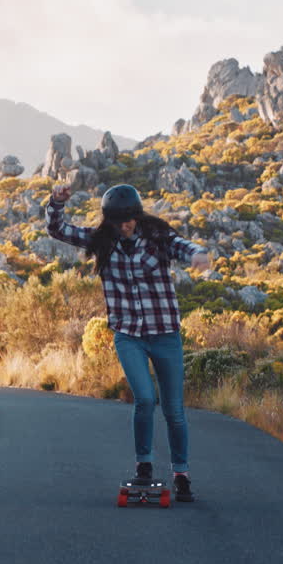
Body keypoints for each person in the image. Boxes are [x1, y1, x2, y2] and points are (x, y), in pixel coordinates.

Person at [44, 183, 211, 501]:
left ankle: (181, 473)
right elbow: (58, 229)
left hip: (164, 334)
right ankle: (144, 465)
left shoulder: (158, 238)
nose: (126, 226)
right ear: (110, 220)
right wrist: (56, 202)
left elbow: (183, 246)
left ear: (137, 214)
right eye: (119, 221)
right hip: (128, 335)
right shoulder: (102, 241)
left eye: (130, 219)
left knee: (174, 410)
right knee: (145, 399)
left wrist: (198, 255)